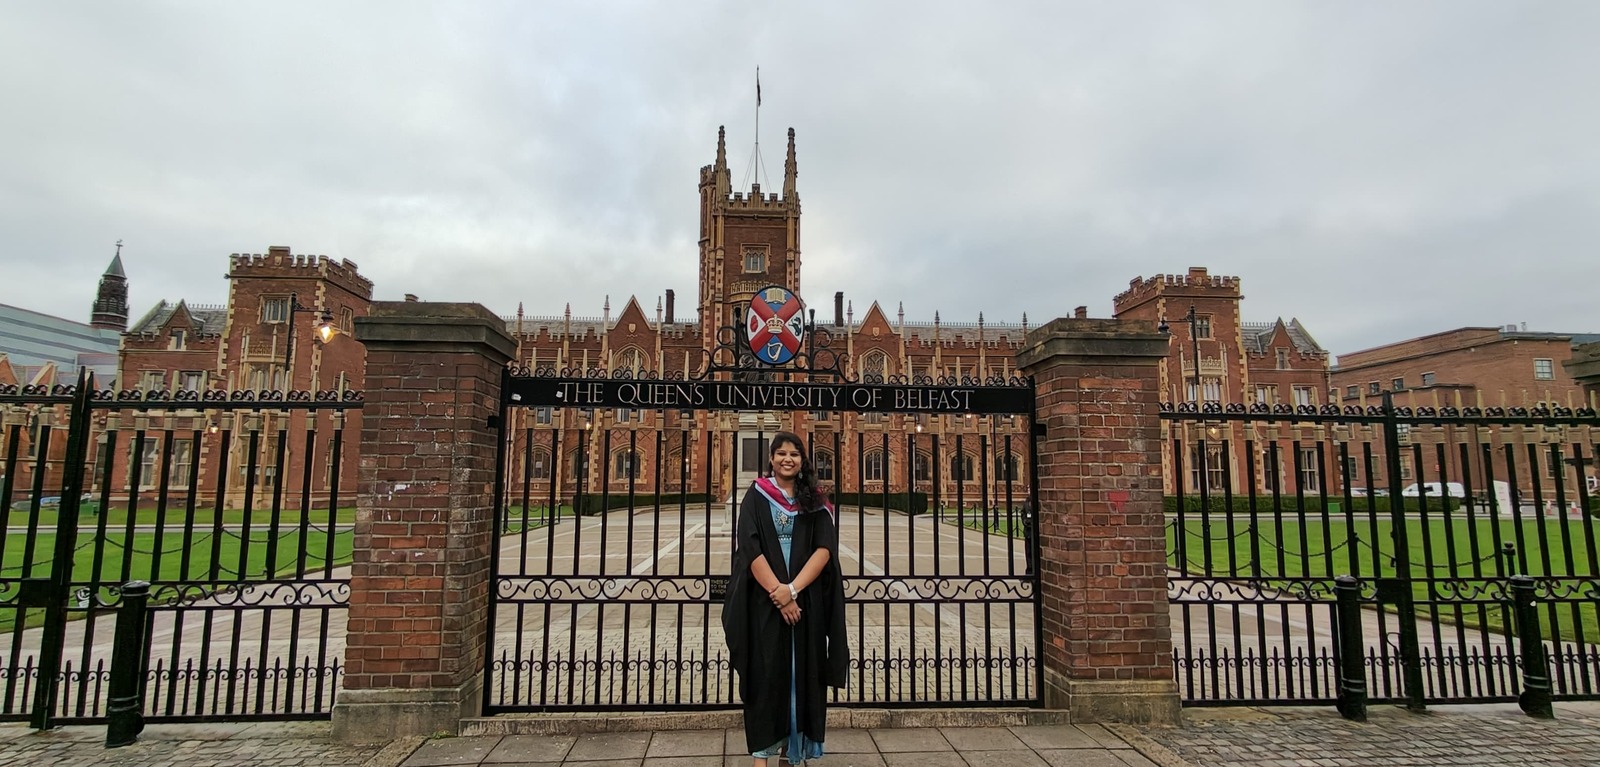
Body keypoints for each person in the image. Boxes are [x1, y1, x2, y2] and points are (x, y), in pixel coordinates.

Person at [722, 432, 848, 767]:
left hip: (805, 604)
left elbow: (825, 550)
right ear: (772, 458)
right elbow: (749, 547)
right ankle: (761, 755)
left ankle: (790, 754)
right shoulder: (757, 495)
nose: (787, 459)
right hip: (765, 605)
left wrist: (792, 591)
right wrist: (778, 594)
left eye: (793, 453)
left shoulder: (815, 500)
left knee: (800, 675)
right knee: (765, 677)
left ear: (802, 460)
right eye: (781, 453)